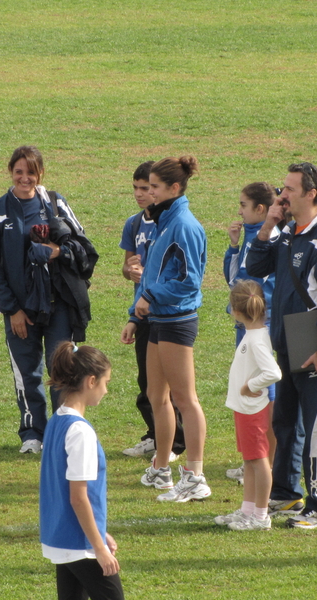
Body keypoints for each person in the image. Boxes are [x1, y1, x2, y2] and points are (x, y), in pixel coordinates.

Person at [246, 162, 317, 528]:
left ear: (311, 193)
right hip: (288, 341)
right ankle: (287, 493)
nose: (281, 195)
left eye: (288, 190)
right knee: (286, 421)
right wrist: (270, 224)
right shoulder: (289, 231)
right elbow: (254, 267)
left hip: (314, 346)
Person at [0, 146, 98, 454]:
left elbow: (82, 244)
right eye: (19, 171)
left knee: (63, 369)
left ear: (40, 174)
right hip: (21, 310)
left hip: (59, 305)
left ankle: (64, 433)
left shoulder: (57, 204)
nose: (24, 178)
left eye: (30, 172)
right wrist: (13, 310)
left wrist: (57, 251)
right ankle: (32, 434)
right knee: (27, 371)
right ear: (11, 173)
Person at [122, 156, 211, 502]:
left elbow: (189, 284)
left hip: (177, 320)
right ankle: (162, 468)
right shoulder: (163, 222)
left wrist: (150, 296)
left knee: (184, 399)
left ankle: (195, 475)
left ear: (174, 188)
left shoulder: (185, 226)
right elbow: (152, 275)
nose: (149, 193)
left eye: (155, 187)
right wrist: (135, 314)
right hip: (156, 319)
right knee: (158, 398)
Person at [39, 342, 124, 599]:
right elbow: (78, 496)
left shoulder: (56, 421)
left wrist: (98, 531)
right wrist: (98, 547)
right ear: (90, 381)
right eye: (105, 382)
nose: (106, 390)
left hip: (62, 537)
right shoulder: (81, 432)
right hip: (80, 544)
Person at [119, 161, 186, 461]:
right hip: (144, 311)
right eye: (136, 188)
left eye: (147, 188)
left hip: (168, 313)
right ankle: (156, 436)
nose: (141, 194)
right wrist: (130, 272)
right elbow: (128, 266)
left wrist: (149, 286)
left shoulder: (174, 224)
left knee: (172, 387)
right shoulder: (134, 224)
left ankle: (175, 443)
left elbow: (185, 278)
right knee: (147, 383)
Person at [223, 182, 280, 485]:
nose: (239, 210)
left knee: (263, 395)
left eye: (243, 205)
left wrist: (253, 313)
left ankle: (264, 464)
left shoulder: (271, 239)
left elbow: (261, 287)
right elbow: (236, 281)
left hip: (260, 323)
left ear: (261, 209)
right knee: (253, 390)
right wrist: (233, 246)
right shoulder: (249, 236)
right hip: (246, 322)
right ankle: (255, 462)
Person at [214, 280, 282, 531]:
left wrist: (250, 386)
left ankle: (260, 516)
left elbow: (273, 373)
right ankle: (248, 511)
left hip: (253, 410)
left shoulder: (256, 339)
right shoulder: (253, 335)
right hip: (245, 409)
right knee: (250, 460)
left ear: (237, 311)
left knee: (259, 460)